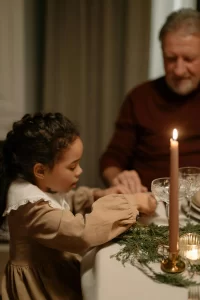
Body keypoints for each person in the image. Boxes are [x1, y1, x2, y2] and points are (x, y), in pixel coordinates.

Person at [0, 112, 156, 300]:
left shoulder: (38, 183)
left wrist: (99, 195)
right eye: (72, 166)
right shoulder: (30, 206)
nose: (79, 171)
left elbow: (65, 201)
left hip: (53, 269)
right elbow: (81, 232)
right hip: (39, 286)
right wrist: (132, 203)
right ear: (40, 170)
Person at [100, 8, 200, 193]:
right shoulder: (140, 97)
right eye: (170, 59)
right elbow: (111, 160)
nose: (178, 70)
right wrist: (119, 179)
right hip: (149, 204)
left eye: (188, 59)